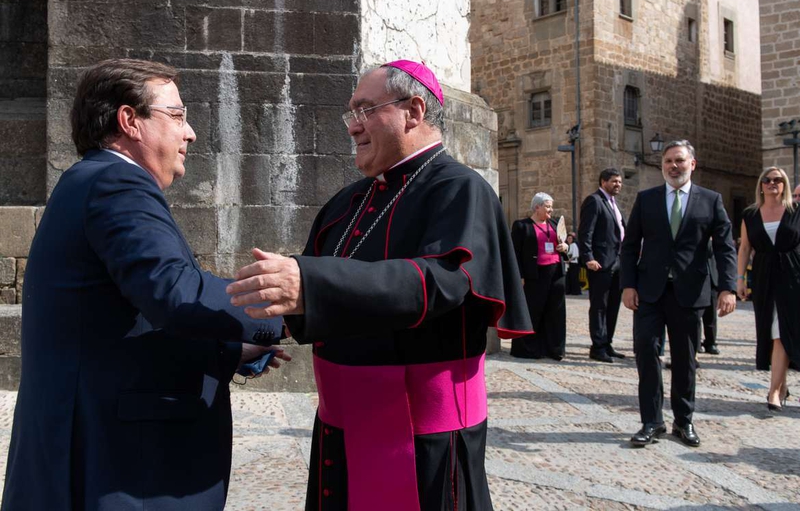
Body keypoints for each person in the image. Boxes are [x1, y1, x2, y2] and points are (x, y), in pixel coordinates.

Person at [227, 60, 532, 511]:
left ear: (414, 110)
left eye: (366, 110)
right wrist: (261, 338)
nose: (353, 127)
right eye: (351, 113)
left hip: (420, 438)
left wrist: (310, 284)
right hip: (340, 428)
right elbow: (313, 301)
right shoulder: (346, 202)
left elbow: (438, 283)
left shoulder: (462, 191)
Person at [1, 59, 286, 511]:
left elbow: (117, 327)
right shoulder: (117, 182)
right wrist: (282, 309)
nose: (189, 132)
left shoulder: (89, 179)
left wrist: (233, 350)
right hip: (115, 468)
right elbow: (175, 292)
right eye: (176, 116)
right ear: (129, 120)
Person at [621, 140, 736, 448]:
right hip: (649, 292)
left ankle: (683, 421)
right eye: (668, 161)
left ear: (692, 164)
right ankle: (651, 421)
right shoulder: (647, 199)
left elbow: (725, 247)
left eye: (680, 161)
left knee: (685, 359)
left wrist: (728, 287)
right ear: (662, 166)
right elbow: (630, 246)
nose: (674, 166)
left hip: (690, 292)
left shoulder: (710, 201)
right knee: (646, 351)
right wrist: (628, 285)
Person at [737, 167, 800, 413]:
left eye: (778, 180)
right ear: (761, 185)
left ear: (784, 184)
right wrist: (740, 279)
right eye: (767, 180)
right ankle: (781, 388)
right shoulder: (750, 214)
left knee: (780, 330)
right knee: (773, 329)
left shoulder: (796, 212)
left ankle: (774, 391)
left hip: (794, 276)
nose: (772, 183)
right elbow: (744, 249)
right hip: (763, 276)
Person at [509, 193, 568, 360]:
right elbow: (515, 253)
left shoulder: (555, 224)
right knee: (533, 312)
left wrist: (565, 247)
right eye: (547, 206)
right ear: (537, 207)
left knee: (555, 313)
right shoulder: (522, 226)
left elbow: (564, 244)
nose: (551, 209)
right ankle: (528, 349)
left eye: (551, 206)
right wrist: (519, 275)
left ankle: (554, 349)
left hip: (556, 273)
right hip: (534, 275)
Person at [578, 168, 626, 363]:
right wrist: (588, 257)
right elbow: (586, 232)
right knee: (599, 306)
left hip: (617, 263)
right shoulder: (594, 201)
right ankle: (597, 347)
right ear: (603, 181)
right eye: (614, 181)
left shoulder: (613, 204)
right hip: (600, 263)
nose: (618, 185)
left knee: (613, 305)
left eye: (620, 182)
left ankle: (607, 343)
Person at [699, 240, 720, 354]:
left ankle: (711, 342)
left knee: (711, 314)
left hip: (711, 278)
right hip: (696, 278)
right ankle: (696, 343)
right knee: (695, 315)